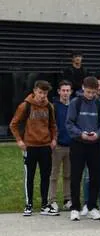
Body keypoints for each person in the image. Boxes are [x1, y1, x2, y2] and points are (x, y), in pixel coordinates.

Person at [66, 77, 100, 221]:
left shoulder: (99, 104)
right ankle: (75, 208)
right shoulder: (75, 103)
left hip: (95, 143)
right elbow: (69, 123)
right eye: (89, 92)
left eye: (94, 92)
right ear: (83, 88)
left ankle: (92, 206)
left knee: (95, 176)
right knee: (76, 176)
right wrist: (81, 134)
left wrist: (98, 134)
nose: (91, 95)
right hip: (78, 143)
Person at [11, 80, 57, 216]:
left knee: (45, 176)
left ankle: (44, 205)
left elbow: (53, 125)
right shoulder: (25, 106)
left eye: (45, 93)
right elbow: (13, 124)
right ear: (35, 91)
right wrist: (19, 140)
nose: (42, 95)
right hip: (30, 146)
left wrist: (54, 139)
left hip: (45, 146)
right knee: (29, 177)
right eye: (40, 92)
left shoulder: (49, 106)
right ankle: (28, 204)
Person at [49, 81, 73, 213]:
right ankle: (51, 200)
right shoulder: (54, 106)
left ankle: (67, 199)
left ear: (71, 91)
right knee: (54, 174)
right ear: (59, 92)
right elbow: (51, 125)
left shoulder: (74, 105)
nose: (65, 93)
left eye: (67, 90)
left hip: (71, 145)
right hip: (57, 145)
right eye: (63, 90)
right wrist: (53, 139)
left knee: (68, 175)